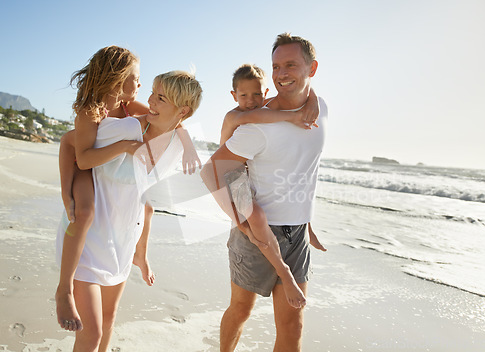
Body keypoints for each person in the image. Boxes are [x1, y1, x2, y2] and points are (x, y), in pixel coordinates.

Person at [55, 46, 201, 334]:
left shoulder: (129, 108)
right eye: (136, 78)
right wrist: (65, 190)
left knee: (147, 205)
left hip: (104, 165)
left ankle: (139, 255)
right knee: (83, 212)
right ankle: (64, 289)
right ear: (117, 79)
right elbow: (77, 153)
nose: (141, 85)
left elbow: (172, 120)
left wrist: (188, 145)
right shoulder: (90, 112)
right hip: (82, 167)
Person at [201, 33, 327, 352]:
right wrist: (239, 221)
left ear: (311, 69)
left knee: (292, 325)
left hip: (296, 233)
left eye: (290, 64)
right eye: (276, 66)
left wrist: (307, 221)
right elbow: (212, 170)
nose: (282, 72)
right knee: (241, 310)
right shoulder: (255, 125)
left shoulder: (320, 109)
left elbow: (306, 169)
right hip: (255, 230)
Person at [219, 64, 326, 309]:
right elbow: (261, 116)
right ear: (234, 96)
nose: (251, 100)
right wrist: (298, 115)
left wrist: (313, 99)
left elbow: (301, 90)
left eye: (257, 94)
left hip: (249, 174)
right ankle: (284, 272)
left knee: (293, 185)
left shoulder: (263, 107)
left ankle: (308, 227)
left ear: (265, 92)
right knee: (256, 217)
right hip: (232, 175)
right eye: (244, 95)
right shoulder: (235, 115)